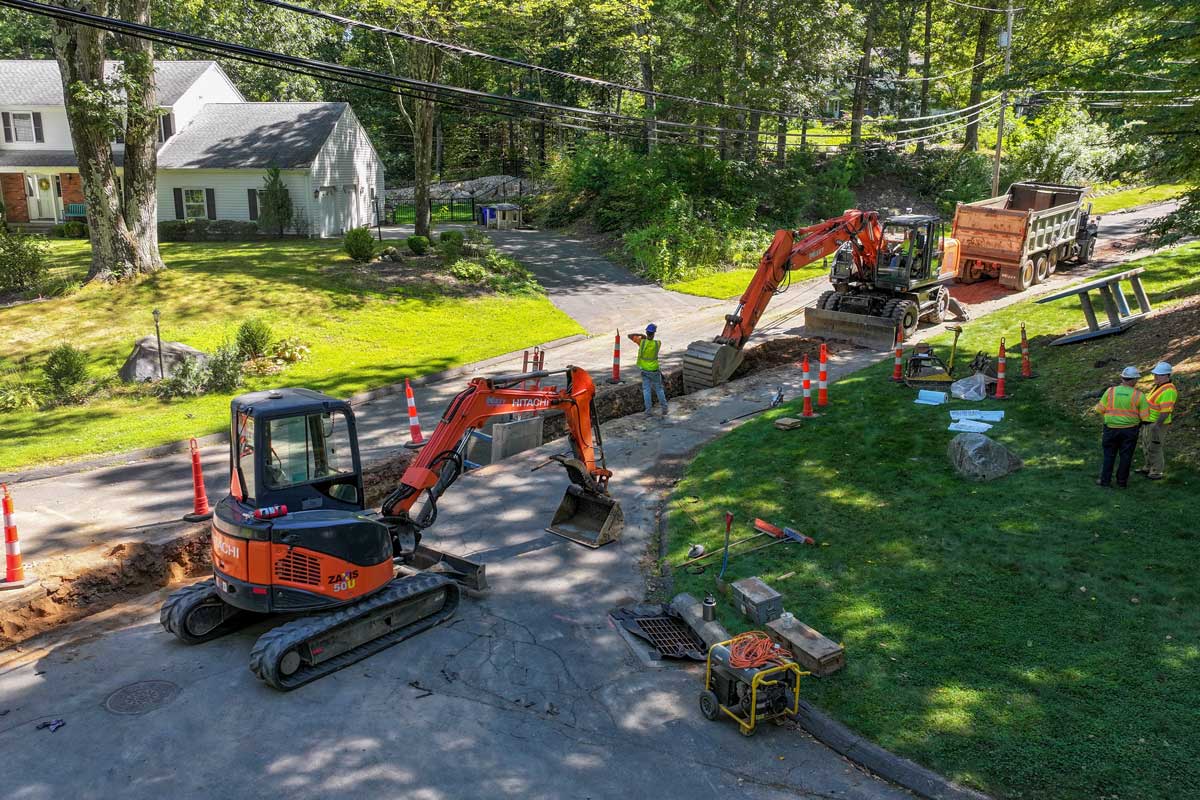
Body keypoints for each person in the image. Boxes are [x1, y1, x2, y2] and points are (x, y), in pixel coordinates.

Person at [1092, 366, 1149, 488]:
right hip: (1129, 431)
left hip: (1110, 429)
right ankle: (1122, 482)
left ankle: (1105, 481)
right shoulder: (1139, 395)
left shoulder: (1110, 391)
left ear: (1123, 378)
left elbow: (1099, 409)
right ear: (1133, 380)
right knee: (1126, 456)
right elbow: (1145, 417)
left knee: (1108, 455)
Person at [1137, 361, 1177, 481]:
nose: (1155, 377)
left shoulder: (1168, 390)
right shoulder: (1158, 386)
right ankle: (1148, 467)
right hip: (1149, 422)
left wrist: (1157, 425)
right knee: (1146, 445)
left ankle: (1156, 472)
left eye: (1159, 375)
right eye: (1155, 374)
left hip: (1157, 424)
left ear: (1167, 376)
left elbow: (1166, 411)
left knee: (1155, 447)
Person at [628, 324, 668, 417]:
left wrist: (641, 335)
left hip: (644, 370)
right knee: (659, 389)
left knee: (646, 390)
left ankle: (648, 411)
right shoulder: (657, 343)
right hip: (654, 370)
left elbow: (629, 336)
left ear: (646, 332)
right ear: (654, 334)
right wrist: (645, 337)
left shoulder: (641, 342)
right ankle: (664, 409)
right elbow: (653, 341)